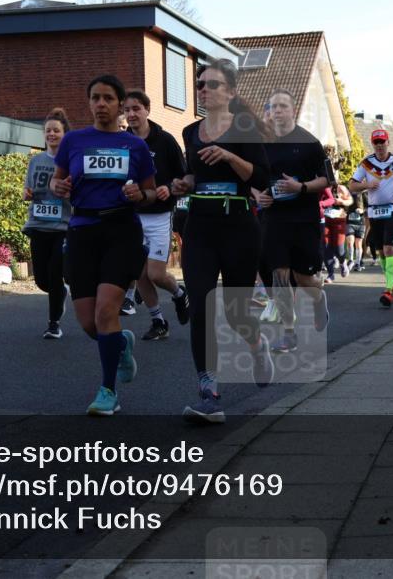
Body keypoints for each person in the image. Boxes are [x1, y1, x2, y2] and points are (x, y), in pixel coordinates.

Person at [172, 59, 271, 423]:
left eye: (211, 84)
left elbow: (261, 177)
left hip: (239, 226)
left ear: (229, 92)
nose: (203, 89)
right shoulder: (190, 132)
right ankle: (208, 392)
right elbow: (192, 176)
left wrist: (230, 156)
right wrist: (184, 183)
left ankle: (257, 346)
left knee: (236, 311)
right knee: (200, 306)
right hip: (200, 226)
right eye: (200, 84)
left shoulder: (245, 129)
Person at [50, 75, 157, 416]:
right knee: (88, 323)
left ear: (119, 104)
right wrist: (59, 187)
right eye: (95, 97)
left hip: (121, 230)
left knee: (106, 311)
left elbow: (152, 191)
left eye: (108, 98)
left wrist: (140, 195)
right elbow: (57, 180)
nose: (100, 104)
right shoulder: (74, 141)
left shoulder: (135, 146)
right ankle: (121, 344)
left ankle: (108, 391)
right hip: (82, 230)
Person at [253, 88, 331, 355]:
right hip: (274, 219)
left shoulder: (309, 143)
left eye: (282, 106)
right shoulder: (262, 144)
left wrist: (301, 187)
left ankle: (319, 301)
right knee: (280, 276)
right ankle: (289, 334)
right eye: (273, 107)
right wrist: (258, 197)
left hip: (304, 220)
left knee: (305, 279)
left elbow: (326, 180)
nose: (277, 111)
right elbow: (251, 178)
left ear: (293, 110)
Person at [123, 89, 190, 340]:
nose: (131, 114)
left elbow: (184, 176)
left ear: (147, 110)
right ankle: (158, 321)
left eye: (136, 108)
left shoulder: (165, 140)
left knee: (156, 274)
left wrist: (168, 187)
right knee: (139, 273)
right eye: (127, 109)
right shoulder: (122, 142)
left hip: (159, 215)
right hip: (132, 217)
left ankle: (180, 294)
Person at [348, 129, 393, 307]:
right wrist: (366, 184)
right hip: (374, 211)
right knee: (380, 250)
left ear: (388, 142)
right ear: (373, 144)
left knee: (389, 248)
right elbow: (351, 185)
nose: (379, 145)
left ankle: (388, 288)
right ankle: (391, 283)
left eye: (382, 141)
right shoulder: (366, 164)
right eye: (376, 142)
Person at [22, 108, 72, 339]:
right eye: (48, 131)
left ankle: (53, 323)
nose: (51, 134)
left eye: (56, 130)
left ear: (65, 134)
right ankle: (60, 293)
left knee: (54, 273)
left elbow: (78, 194)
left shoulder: (71, 161)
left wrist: (66, 192)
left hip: (62, 226)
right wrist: (27, 193)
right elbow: (28, 188)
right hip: (38, 224)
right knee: (42, 279)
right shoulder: (36, 160)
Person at [323, 182, 353, 280]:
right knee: (326, 247)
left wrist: (341, 201)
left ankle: (342, 262)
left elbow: (350, 201)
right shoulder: (320, 187)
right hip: (325, 220)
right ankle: (330, 274)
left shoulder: (340, 188)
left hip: (339, 220)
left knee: (339, 249)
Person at [345, 191, 367, 271]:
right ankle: (350, 260)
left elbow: (369, 206)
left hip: (361, 223)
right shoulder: (347, 193)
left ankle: (358, 263)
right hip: (350, 222)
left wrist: (362, 210)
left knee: (358, 244)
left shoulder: (363, 193)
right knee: (350, 242)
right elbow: (343, 205)